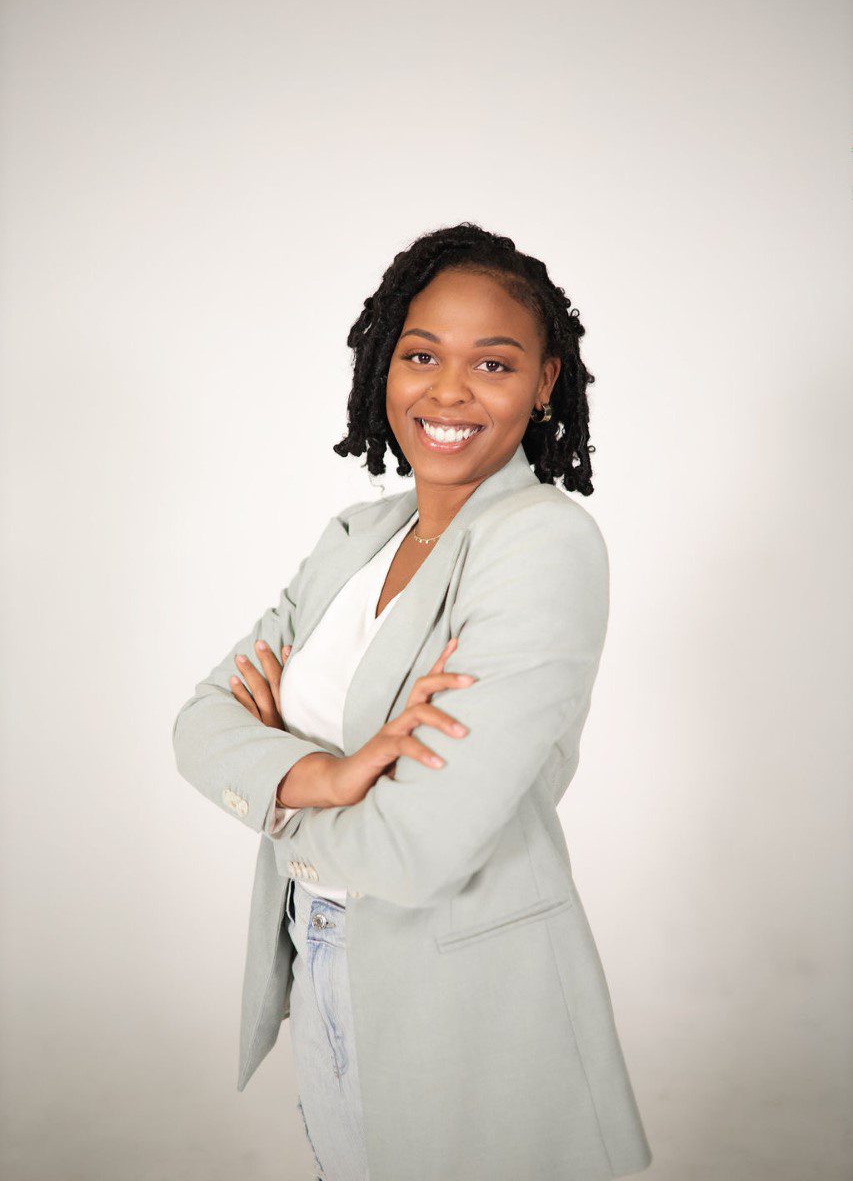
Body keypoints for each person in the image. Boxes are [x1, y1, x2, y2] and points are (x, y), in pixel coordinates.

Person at [172, 221, 653, 1181]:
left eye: (493, 364)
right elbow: (197, 725)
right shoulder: (356, 537)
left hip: (462, 987)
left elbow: (418, 846)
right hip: (320, 953)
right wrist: (330, 775)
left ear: (545, 382)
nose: (447, 391)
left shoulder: (539, 545)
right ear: (384, 365)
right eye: (421, 355)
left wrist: (272, 783)